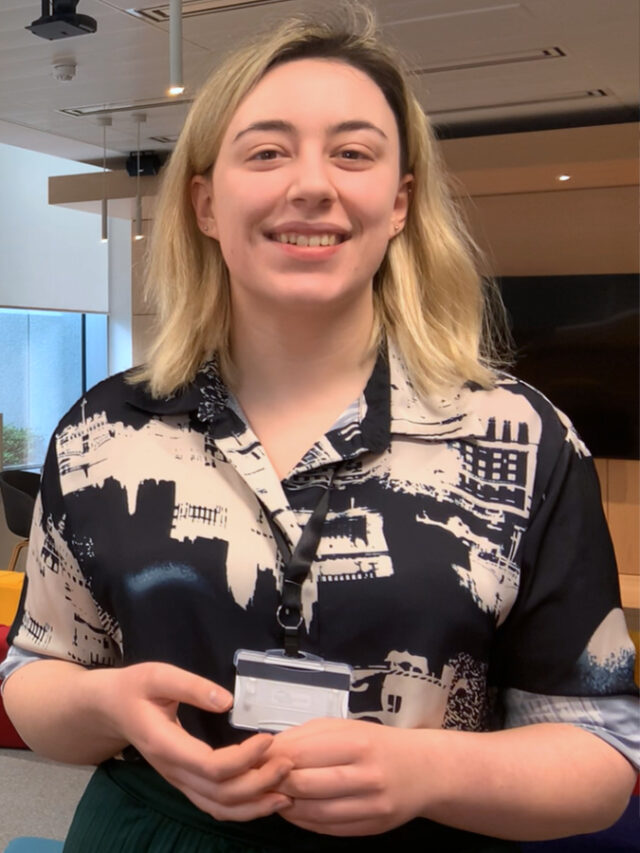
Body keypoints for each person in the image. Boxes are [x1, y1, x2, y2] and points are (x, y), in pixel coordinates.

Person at [1, 7, 637, 852]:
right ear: (205, 203)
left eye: (354, 152)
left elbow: (600, 749)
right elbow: (33, 678)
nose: (312, 184)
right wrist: (106, 707)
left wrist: (426, 772)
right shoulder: (102, 430)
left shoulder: (525, 439)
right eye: (266, 151)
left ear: (401, 203)